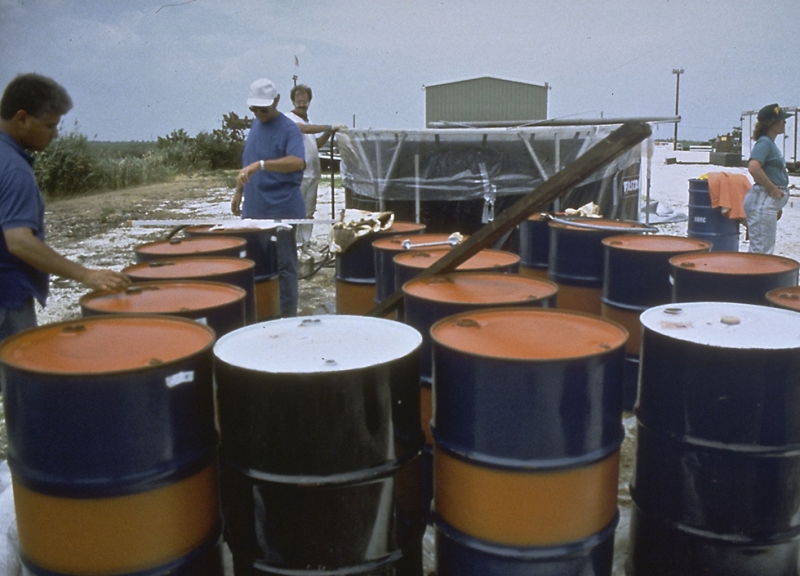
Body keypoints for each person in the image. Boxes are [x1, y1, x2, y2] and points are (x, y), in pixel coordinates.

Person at [0, 73, 130, 341]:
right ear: (22, 118)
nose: (55, 134)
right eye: (49, 126)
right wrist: (86, 275)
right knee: (18, 373)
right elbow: (19, 242)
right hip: (6, 298)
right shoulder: (14, 169)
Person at [232, 78, 305, 317]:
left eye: (264, 109)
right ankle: (260, 314)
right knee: (256, 266)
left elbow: (297, 162)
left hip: (282, 209)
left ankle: (286, 318)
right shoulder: (256, 124)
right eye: (254, 109)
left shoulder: (289, 128)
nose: (259, 114)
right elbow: (248, 160)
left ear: (276, 101)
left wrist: (262, 165)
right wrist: (239, 191)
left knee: (284, 266)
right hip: (255, 208)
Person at [285, 84, 339, 253]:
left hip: (312, 173)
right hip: (297, 175)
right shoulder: (290, 119)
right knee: (296, 211)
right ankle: (296, 245)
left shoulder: (309, 120)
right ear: (293, 101)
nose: (302, 104)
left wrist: (328, 134)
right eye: (298, 101)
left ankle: (306, 243)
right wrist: (328, 126)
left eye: (304, 101)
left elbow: (314, 144)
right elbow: (304, 130)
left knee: (309, 211)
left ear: (309, 101)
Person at [743, 103, 794, 254]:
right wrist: (773, 190)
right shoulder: (764, 142)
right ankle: (754, 278)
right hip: (763, 199)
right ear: (772, 124)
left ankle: (755, 277)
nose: (784, 123)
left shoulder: (769, 143)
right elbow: (753, 167)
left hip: (765, 202)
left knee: (762, 249)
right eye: (782, 120)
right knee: (762, 251)